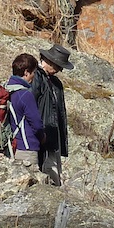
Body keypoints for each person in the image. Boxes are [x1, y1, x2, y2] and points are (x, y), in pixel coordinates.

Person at [31, 45, 72, 185]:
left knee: (54, 175)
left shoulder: (56, 83)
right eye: (58, 66)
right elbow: (31, 104)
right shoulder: (36, 77)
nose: (59, 70)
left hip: (53, 138)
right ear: (49, 61)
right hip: (40, 134)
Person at [5, 53, 43, 167]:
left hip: (12, 146)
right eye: (33, 72)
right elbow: (36, 124)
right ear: (26, 72)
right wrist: (43, 137)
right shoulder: (25, 95)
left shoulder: (7, 90)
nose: (34, 76)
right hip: (27, 149)